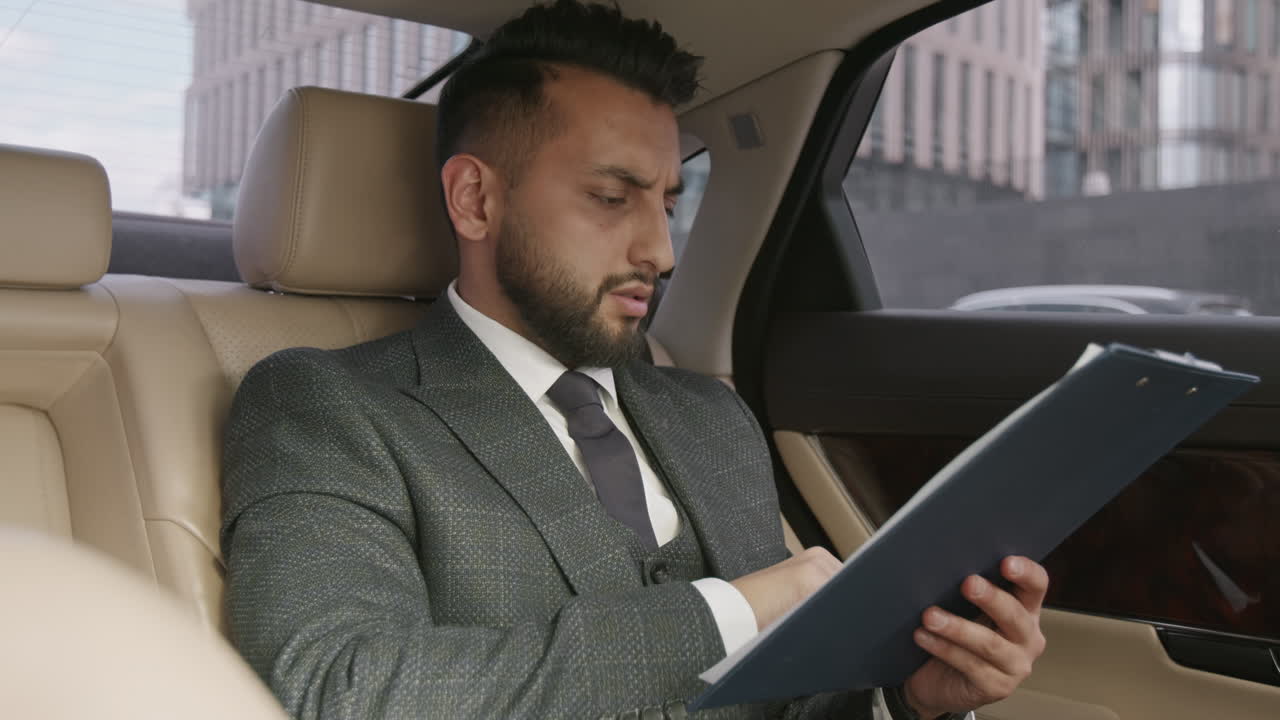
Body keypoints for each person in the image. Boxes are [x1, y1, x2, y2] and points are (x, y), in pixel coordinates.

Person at [220, 2, 1048, 718]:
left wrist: (907, 700)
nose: (661, 250)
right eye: (612, 199)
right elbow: (340, 692)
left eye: (668, 203)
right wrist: (726, 612)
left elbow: (782, 705)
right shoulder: (327, 405)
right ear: (475, 199)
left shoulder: (712, 419)